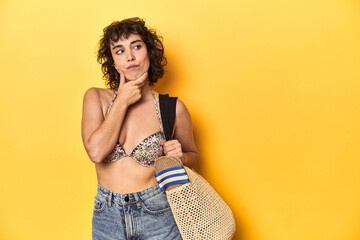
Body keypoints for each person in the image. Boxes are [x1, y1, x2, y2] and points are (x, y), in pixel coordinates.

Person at [81, 17, 199, 239]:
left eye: (136, 46)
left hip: (159, 213)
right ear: (113, 61)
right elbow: (96, 152)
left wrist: (181, 157)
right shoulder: (95, 98)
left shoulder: (172, 108)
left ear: (149, 52)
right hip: (107, 215)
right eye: (119, 51)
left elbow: (193, 155)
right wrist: (122, 101)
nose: (130, 57)